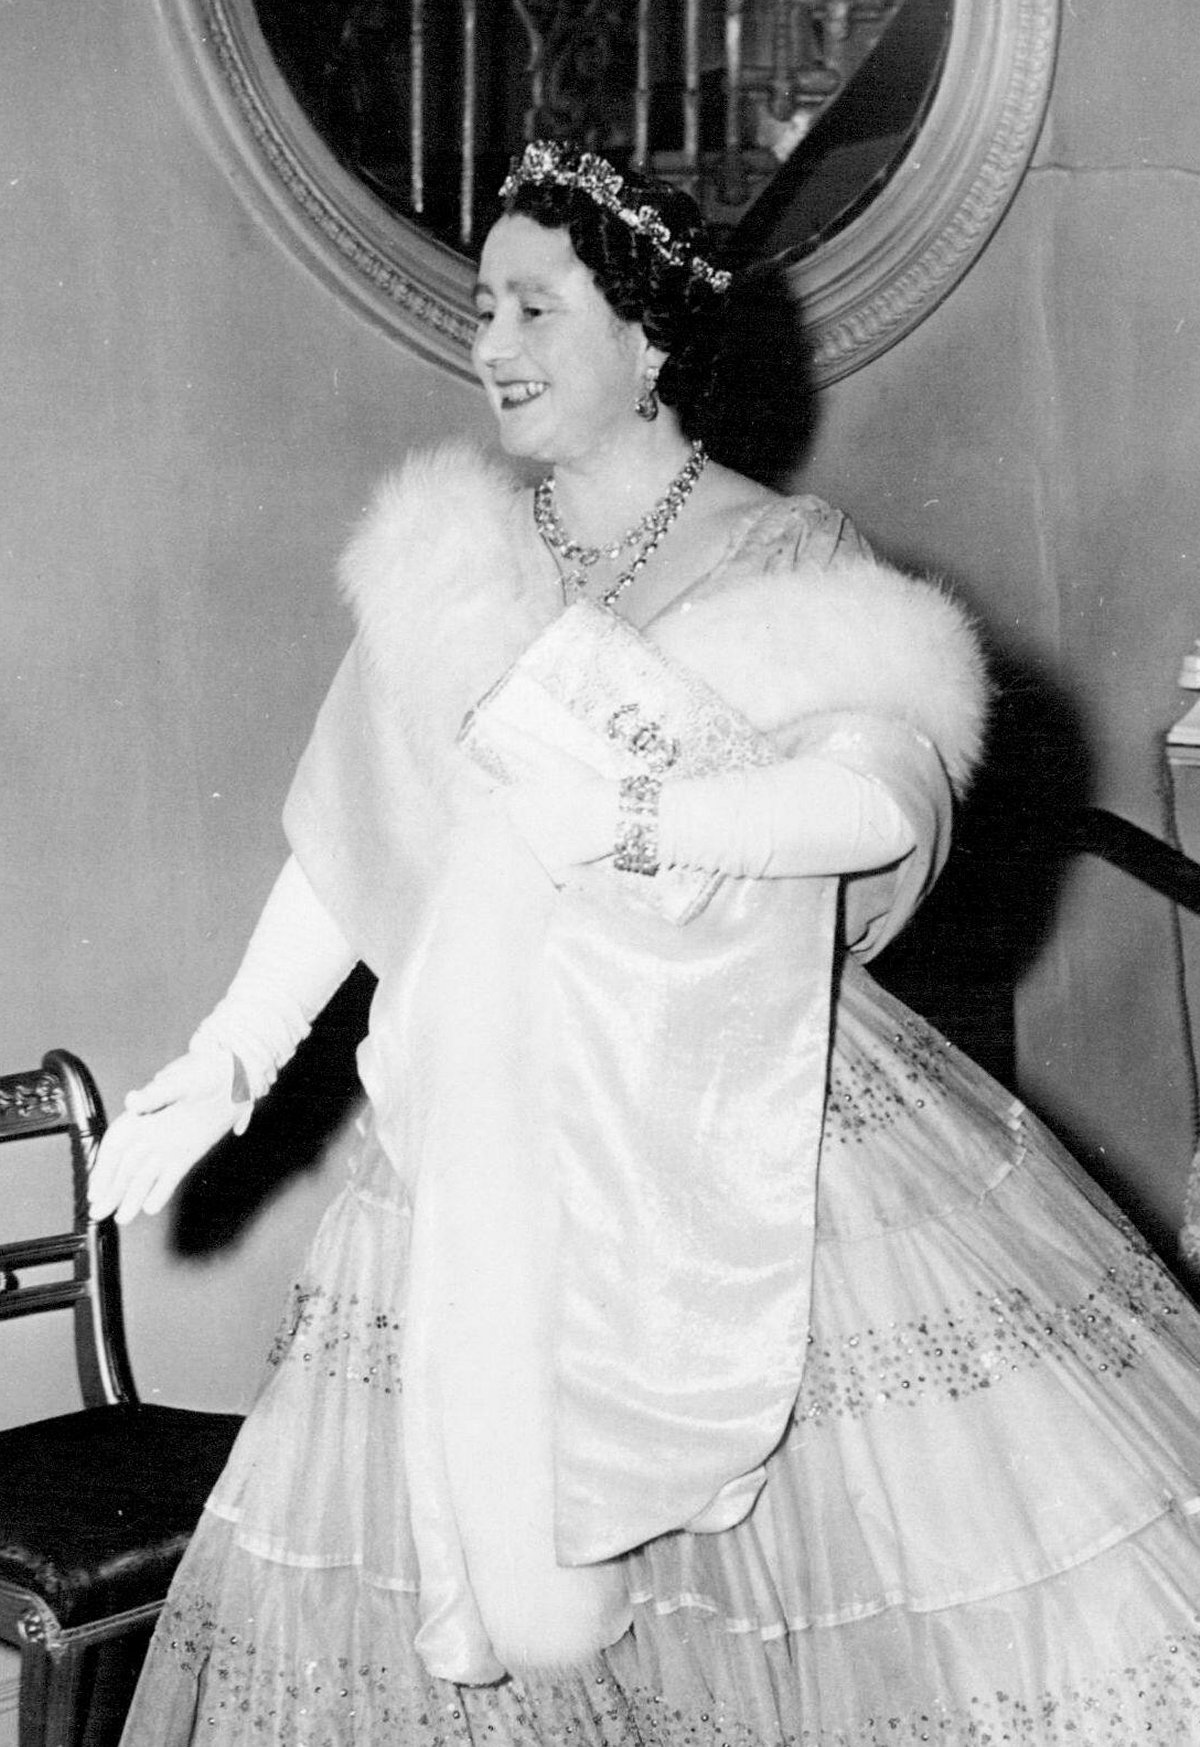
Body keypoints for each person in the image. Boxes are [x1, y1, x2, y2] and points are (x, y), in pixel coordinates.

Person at [89, 141, 1200, 1745]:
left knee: (804, 1590)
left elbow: (875, 798)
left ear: (650, 340)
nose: (491, 347)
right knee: (517, 1607)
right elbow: (350, 847)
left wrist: (641, 823)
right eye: (482, 309)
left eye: (536, 309)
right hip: (493, 1136)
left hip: (743, 1131)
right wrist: (232, 1055)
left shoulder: (787, 559)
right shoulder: (456, 561)